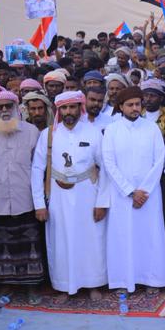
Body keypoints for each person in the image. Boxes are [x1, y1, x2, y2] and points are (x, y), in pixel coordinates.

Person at [31, 91, 109, 298]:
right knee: (61, 241)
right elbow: (37, 169)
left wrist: (102, 202)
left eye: (72, 107)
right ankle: (64, 286)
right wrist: (39, 204)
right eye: (64, 108)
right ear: (58, 110)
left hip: (88, 194)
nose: (68, 112)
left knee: (91, 239)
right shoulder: (48, 135)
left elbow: (105, 169)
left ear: (79, 108)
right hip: (58, 197)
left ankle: (93, 284)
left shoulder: (93, 132)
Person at [0, 91, 44, 301]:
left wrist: (40, 201)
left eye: (8, 106)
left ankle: (32, 286)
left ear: (16, 107)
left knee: (31, 244)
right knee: (2, 246)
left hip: (27, 199)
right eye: (0, 107)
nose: (4, 110)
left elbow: (39, 169)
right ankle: (6, 285)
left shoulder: (32, 132)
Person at [102, 86, 165, 293]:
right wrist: (131, 191)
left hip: (149, 195)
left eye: (137, 104)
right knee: (123, 237)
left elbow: (159, 161)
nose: (134, 108)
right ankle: (123, 281)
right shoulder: (112, 130)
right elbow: (109, 163)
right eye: (130, 105)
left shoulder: (152, 128)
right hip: (122, 195)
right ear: (121, 107)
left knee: (149, 236)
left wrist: (143, 191)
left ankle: (152, 280)